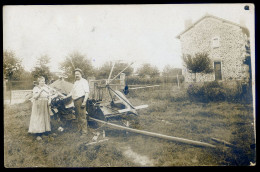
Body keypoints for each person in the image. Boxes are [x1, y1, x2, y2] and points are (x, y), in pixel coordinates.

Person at [62, 68, 90, 138]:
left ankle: (84, 132)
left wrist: (84, 102)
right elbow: (72, 92)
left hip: (81, 100)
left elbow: (87, 92)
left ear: (81, 74)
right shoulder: (76, 82)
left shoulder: (84, 81)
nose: (76, 75)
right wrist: (65, 97)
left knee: (82, 116)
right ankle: (80, 130)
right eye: (75, 74)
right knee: (77, 116)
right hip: (75, 101)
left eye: (78, 74)